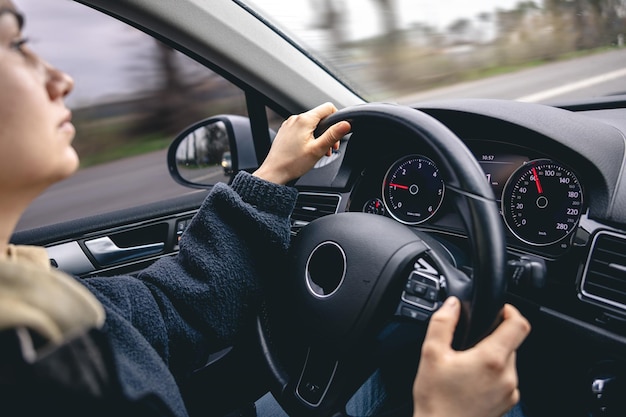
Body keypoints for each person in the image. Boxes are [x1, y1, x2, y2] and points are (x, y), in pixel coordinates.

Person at [0, 1, 531, 416]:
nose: (60, 79)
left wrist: (272, 176)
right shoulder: (30, 370)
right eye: (17, 44)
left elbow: (167, 309)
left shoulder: (28, 298)